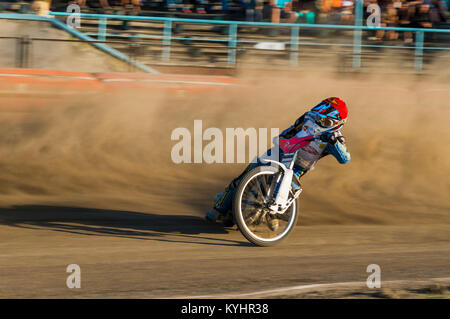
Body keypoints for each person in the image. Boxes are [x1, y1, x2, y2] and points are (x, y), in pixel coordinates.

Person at [206, 97, 351, 227]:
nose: (319, 122)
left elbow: (345, 158)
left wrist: (335, 143)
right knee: (247, 174)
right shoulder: (306, 119)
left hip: (296, 170)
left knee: (290, 193)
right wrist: (285, 140)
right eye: (319, 117)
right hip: (279, 153)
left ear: (338, 124)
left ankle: (271, 214)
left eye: (325, 121)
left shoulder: (335, 139)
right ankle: (220, 206)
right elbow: (285, 133)